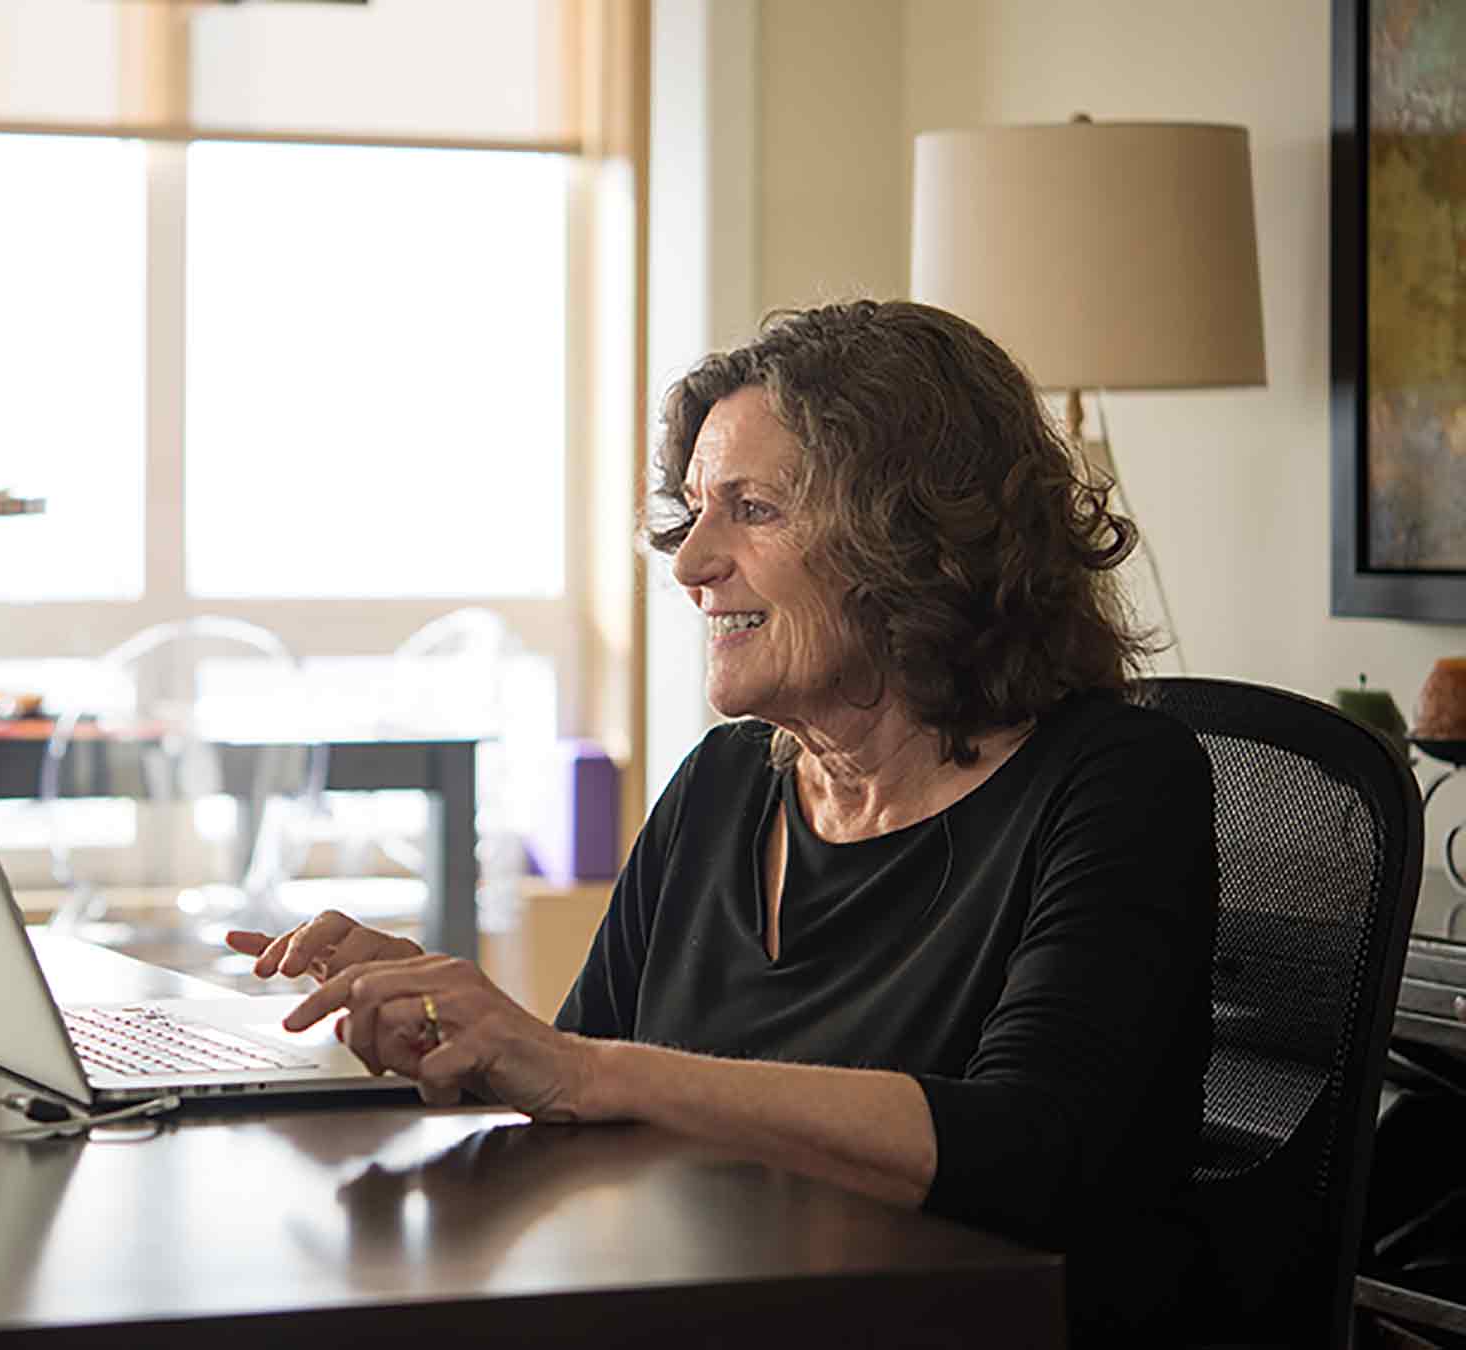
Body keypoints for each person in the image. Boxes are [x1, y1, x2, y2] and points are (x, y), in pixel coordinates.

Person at [228, 300, 1216, 1342]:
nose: (692, 561)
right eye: (696, 508)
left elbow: (1030, 1151)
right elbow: (579, 1093)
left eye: (753, 508)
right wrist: (454, 1030)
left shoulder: (1116, 782)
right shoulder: (724, 784)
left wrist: (576, 1069)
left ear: (915, 539)